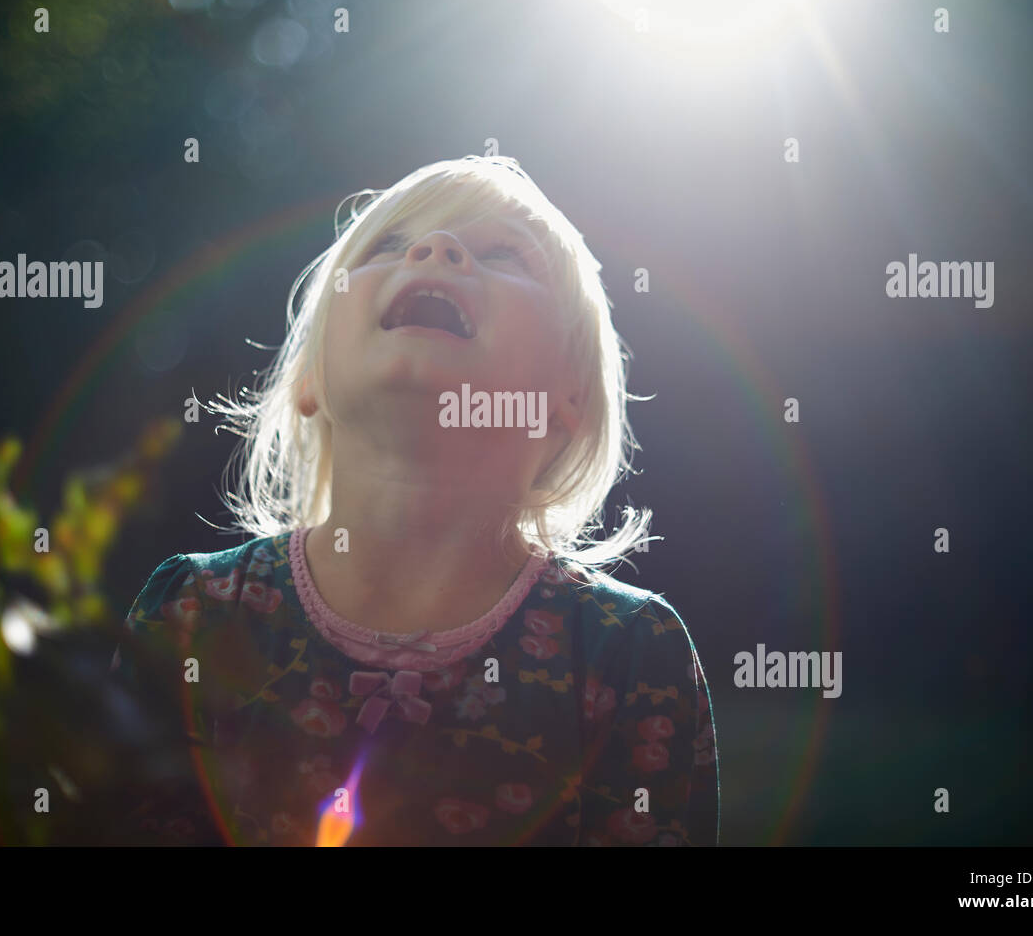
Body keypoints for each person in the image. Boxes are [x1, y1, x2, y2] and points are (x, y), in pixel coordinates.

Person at [110, 155, 718, 845]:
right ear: (310, 376)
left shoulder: (628, 655)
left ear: (567, 397)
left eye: (503, 254)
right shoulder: (193, 615)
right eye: (390, 246)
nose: (436, 250)